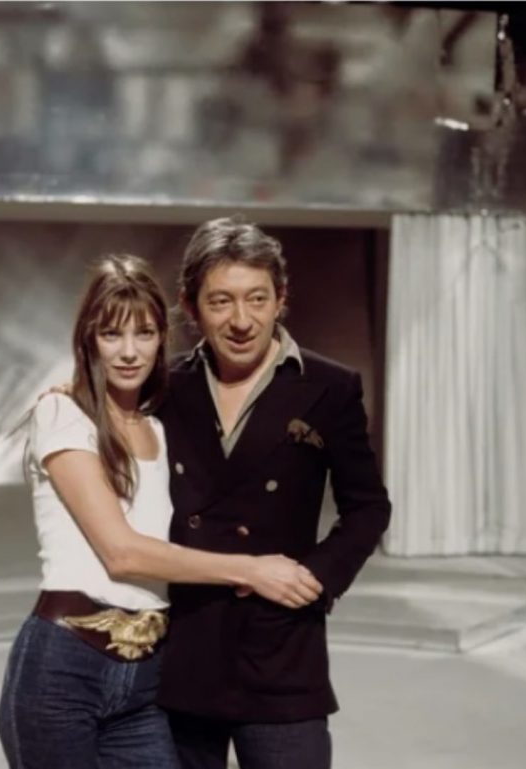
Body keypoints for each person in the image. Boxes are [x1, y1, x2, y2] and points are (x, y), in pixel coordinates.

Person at [0, 254, 323, 769]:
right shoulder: (63, 414)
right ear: (88, 340)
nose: (129, 351)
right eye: (111, 334)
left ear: (162, 338)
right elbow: (122, 554)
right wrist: (251, 570)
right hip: (64, 669)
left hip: (146, 680)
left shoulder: (163, 427)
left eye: (144, 333)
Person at [156, 217, 392, 769]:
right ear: (191, 307)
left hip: (282, 650)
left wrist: (315, 579)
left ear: (280, 298)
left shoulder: (330, 387)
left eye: (257, 298)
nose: (241, 320)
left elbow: (368, 507)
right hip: (185, 646)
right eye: (221, 301)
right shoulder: (164, 386)